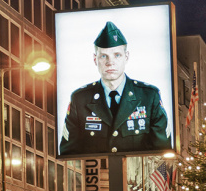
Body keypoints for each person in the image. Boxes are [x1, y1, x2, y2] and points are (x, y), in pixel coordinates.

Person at [59, 21, 172, 155]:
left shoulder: (149, 96)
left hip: (140, 175)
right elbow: (69, 153)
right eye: (103, 56)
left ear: (126, 57)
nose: (110, 62)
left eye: (117, 55)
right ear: (95, 59)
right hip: (96, 175)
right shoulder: (80, 99)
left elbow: (162, 151)